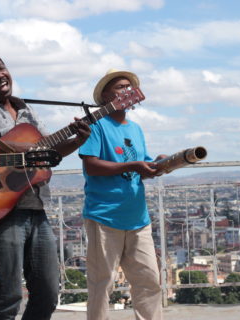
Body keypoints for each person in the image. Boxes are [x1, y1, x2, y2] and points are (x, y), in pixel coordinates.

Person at [0, 52, 91, 320]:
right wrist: (15, 148)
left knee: (49, 291)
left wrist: (77, 140)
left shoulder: (25, 109)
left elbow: (48, 151)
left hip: (36, 206)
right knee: (9, 294)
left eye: (1, 68)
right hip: (2, 208)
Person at [79, 68, 164, 320]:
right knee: (101, 285)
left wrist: (160, 164)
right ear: (105, 96)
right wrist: (133, 166)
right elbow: (91, 165)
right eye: (120, 87)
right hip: (105, 216)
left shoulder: (136, 129)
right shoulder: (95, 124)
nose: (126, 90)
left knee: (149, 282)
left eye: (129, 86)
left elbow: (143, 167)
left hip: (138, 219)